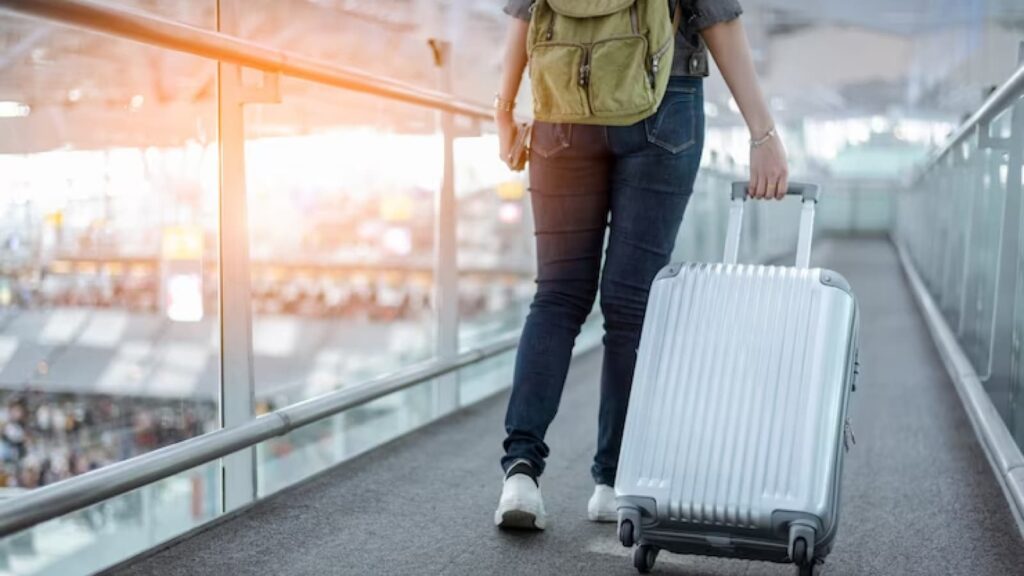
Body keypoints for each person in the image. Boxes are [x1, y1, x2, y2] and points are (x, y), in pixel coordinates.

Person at [493, 0, 790, 530]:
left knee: (558, 295)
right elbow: (719, 17)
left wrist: (503, 110)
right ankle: (613, 481)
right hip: (662, 100)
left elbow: (524, 13)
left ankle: (520, 473)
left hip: (562, 106)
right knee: (631, 306)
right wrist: (762, 133)